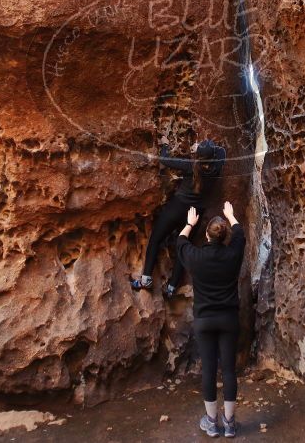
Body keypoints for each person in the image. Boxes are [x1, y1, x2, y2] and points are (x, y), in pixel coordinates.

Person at [177, 201, 245, 438]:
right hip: (228, 319)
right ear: (225, 236)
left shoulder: (195, 256)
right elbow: (240, 233)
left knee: (209, 369)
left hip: (204, 320)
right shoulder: (233, 253)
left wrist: (189, 223)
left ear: (206, 235)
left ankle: (212, 422)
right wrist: (231, 215)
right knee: (228, 370)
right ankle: (229, 423)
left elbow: (181, 241)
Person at [131, 136, 226, 298]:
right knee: (183, 247)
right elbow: (222, 152)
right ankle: (171, 288)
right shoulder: (217, 167)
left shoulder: (191, 166)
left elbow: (165, 159)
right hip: (195, 214)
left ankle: (146, 279)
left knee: (156, 238)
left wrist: (165, 144)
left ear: (198, 155)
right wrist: (204, 150)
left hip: (177, 207)